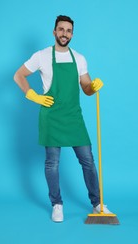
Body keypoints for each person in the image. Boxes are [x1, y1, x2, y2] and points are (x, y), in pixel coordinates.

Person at [14, 15, 112, 222]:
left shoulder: (79, 58)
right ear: (54, 32)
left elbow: (85, 88)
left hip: (73, 117)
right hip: (51, 117)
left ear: (72, 34)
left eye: (68, 31)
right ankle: (57, 204)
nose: (64, 34)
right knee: (52, 163)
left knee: (88, 161)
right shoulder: (41, 56)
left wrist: (92, 87)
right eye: (61, 29)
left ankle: (97, 203)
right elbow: (18, 76)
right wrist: (31, 94)